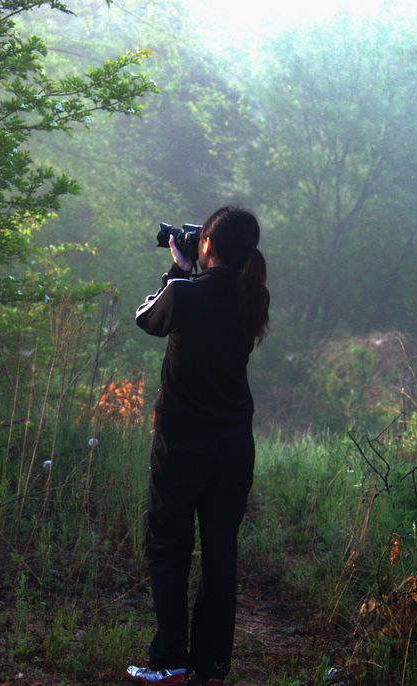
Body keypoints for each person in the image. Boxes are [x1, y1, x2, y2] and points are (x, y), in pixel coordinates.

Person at [126, 206, 270, 686]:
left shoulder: (186, 294)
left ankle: (169, 663)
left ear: (205, 244)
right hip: (233, 447)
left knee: (167, 547)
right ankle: (210, 669)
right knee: (219, 553)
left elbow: (147, 317)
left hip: (182, 444)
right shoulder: (253, 297)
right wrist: (194, 270)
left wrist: (178, 268)